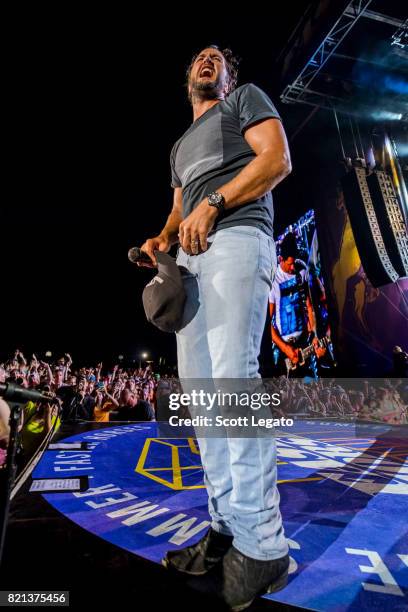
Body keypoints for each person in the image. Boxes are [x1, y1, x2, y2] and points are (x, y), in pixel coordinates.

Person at [139, 45, 291, 610]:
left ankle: (265, 546)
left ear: (228, 77)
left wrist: (218, 203)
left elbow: (276, 159)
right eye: (199, 57)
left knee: (232, 385)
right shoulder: (179, 147)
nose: (208, 60)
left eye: (217, 58)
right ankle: (225, 529)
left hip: (236, 238)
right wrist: (161, 239)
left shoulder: (244, 102)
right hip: (192, 261)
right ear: (188, 78)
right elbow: (179, 214)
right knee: (204, 404)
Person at [269, 233, 325, 377]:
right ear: (281, 259)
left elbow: (309, 306)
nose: (293, 267)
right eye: (289, 264)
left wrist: (314, 334)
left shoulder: (301, 270)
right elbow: (267, 323)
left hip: (304, 342)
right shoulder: (274, 279)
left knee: (312, 388)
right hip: (285, 349)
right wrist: (285, 348)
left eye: (294, 262)